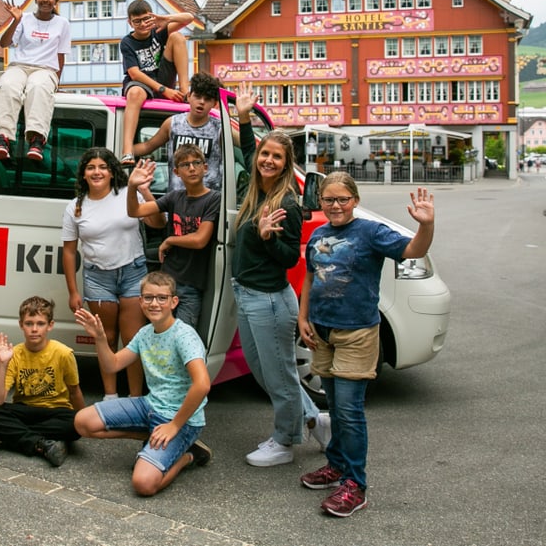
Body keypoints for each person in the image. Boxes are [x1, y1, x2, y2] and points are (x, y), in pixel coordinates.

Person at [298, 173, 435, 517]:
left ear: (355, 200)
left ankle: (355, 485)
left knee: (349, 411)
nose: (336, 206)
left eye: (343, 199)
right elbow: (311, 277)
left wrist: (426, 225)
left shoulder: (370, 232)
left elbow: (413, 250)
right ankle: (336, 466)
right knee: (334, 403)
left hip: (356, 334)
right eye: (329, 199)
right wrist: (303, 318)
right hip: (323, 333)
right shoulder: (319, 234)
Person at [231, 82, 329, 468]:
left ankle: (285, 441)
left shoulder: (285, 202)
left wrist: (268, 237)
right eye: (265, 154)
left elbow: (290, 259)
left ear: (287, 164)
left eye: (276, 157)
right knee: (263, 370)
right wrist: (243, 115)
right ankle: (313, 420)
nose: (267, 160)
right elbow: (245, 150)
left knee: (281, 374)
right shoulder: (254, 189)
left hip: (270, 301)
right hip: (248, 295)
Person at [73, 272, 212, 497]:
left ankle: (189, 455)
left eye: (161, 298)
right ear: (140, 301)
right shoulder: (145, 333)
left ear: (173, 302)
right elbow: (113, 365)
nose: (154, 303)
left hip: (182, 420)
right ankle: (153, 439)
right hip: (150, 406)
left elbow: (202, 385)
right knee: (82, 422)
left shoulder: (185, 336)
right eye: (148, 298)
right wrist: (100, 338)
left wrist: (174, 426)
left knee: (143, 484)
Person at [62, 148, 148, 398]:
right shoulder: (75, 207)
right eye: (91, 167)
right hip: (98, 279)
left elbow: (157, 222)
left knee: (133, 341)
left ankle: (134, 398)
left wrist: (143, 190)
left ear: (112, 172)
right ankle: (110, 396)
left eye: (103, 167)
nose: (97, 172)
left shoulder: (127, 194)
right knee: (107, 338)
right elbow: (69, 252)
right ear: (84, 174)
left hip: (133, 272)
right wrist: (73, 291)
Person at [0, 296, 84, 467]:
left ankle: (6, 436)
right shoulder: (14, 353)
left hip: (55, 411)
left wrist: (86, 420)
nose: (34, 329)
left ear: (50, 325)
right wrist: (2, 363)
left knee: (77, 425)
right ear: (21, 325)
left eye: (40, 323)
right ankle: (41, 444)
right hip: (24, 410)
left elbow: (74, 391)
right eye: (29, 323)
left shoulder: (63, 353)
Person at [126, 146, 220, 329]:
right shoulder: (174, 197)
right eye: (185, 165)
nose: (192, 168)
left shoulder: (213, 199)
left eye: (196, 163)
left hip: (192, 286)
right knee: (160, 335)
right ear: (177, 172)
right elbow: (135, 211)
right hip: (166, 283)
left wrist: (169, 240)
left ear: (205, 168)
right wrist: (132, 187)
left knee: (183, 340)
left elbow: (200, 239)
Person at [0, 0, 71, 162]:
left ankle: (37, 139)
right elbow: (4, 43)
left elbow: (61, 56)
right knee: (7, 85)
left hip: (45, 69)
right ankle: (1, 138)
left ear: (56, 0)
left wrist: (56, 82)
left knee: (38, 88)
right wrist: (16, 20)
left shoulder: (62, 23)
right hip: (19, 66)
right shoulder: (24, 18)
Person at [118, 0, 192, 166]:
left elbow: (189, 18)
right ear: (130, 22)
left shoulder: (158, 31)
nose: (143, 24)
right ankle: (127, 151)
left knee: (178, 37)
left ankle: (185, 90)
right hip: (142, 82)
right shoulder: (127, 42)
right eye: (137, 21)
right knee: (135, 93)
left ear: (152, 17)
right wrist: (164, 90)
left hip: (163, 76)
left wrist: (165, 19)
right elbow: (134, 73)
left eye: (146, 19)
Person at [131, 71, 224, 191]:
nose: (201, 102)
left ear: (215, 104)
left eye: (207, 99)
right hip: (177, 202)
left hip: (210, 204)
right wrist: (121, 152)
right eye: (198, 96)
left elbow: (248, 144)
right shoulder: (173, 124)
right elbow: (147, 146)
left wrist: (243, 115)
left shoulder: (220, 129)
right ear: (189, 96)